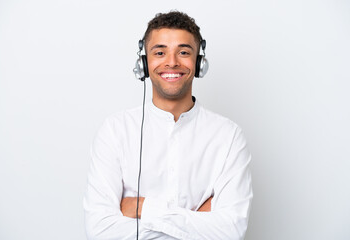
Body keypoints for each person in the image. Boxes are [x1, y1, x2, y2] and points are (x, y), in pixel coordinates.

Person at [84, 11, 253, 240]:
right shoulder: (114, 131)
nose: (172, 62)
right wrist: (197, 220)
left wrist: (143, 208)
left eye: (183, 52)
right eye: (160, 52)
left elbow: (231, 231)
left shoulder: (229, 137)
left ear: (199, 62)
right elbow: (100, 231)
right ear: (144, 62)